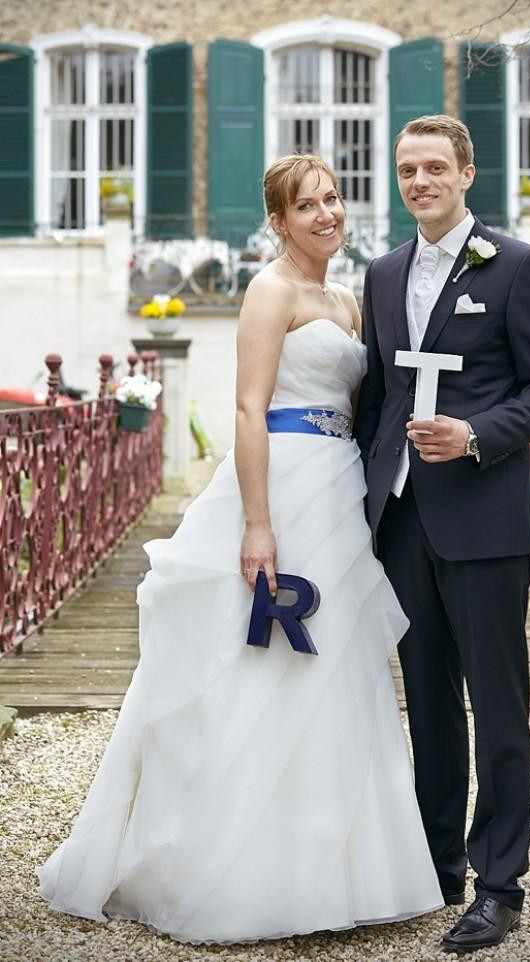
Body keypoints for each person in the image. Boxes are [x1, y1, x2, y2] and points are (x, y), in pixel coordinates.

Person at [37, 154, 443, 945]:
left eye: (333, 199)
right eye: (307, 205)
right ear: (279, 221)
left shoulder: (348, 301)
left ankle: (333, 865)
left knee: (334, 666)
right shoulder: (269, 290)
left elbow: (362, 410)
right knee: (261, 663)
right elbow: (249, 409)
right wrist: (258, 524)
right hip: (281, 487)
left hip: (339, 490)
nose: (327, 214)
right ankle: (234, 863)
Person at [354, 115, 530, 954]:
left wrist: (476, 434)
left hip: (483, 518)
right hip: (403, 519)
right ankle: (437, 863)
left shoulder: (518, 266)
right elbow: (375, 398)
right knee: (430, 703)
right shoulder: (381, 274)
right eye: (408, 169)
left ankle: (500, 884)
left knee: (497, 701)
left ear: (467, 173)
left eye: (435, 167)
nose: (421, 181)